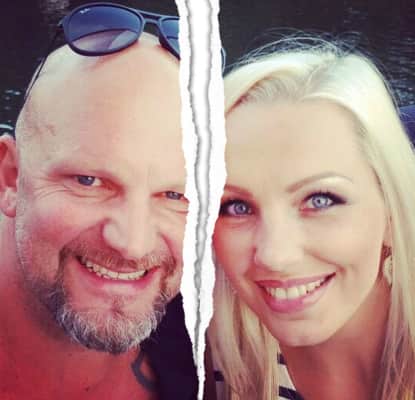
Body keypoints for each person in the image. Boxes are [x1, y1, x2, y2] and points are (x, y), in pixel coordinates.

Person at [0, 4, 196, 399]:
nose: (132, 244)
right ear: (10, 178)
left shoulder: (224, 340)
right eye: (89, 181)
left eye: (175, 195)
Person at [208, 39, 415, 400]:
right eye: (236, 207)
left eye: (320, 200)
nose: (275, 255)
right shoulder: (208, 357)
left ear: (390, 213)